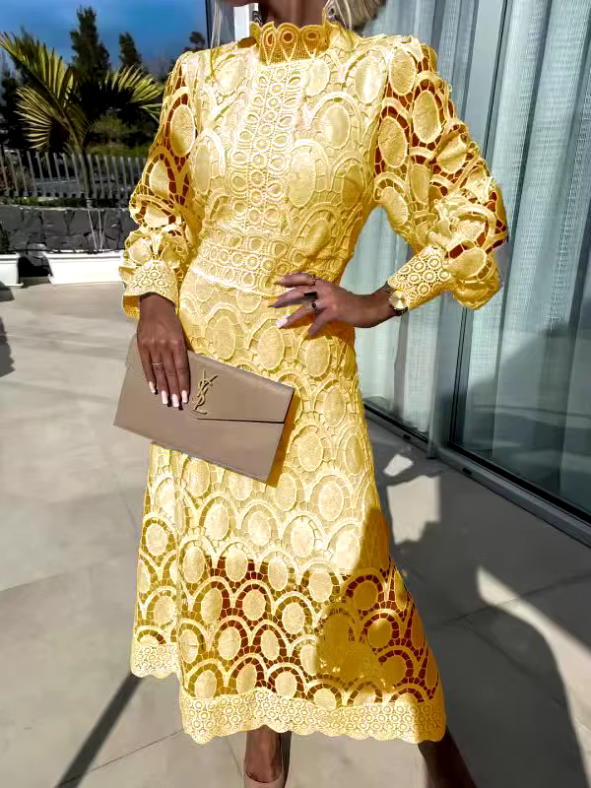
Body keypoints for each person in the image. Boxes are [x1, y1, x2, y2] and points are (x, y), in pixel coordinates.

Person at [118, 1, 508, 786]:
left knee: (349, 566)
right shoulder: (199, 76)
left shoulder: (384, 72)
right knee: (230, 561)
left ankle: (436, 748)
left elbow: (473, 213)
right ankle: (262, 733)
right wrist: (156, 301)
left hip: (307, 369)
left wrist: (383, 298)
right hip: (201, 365)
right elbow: (161, 208)